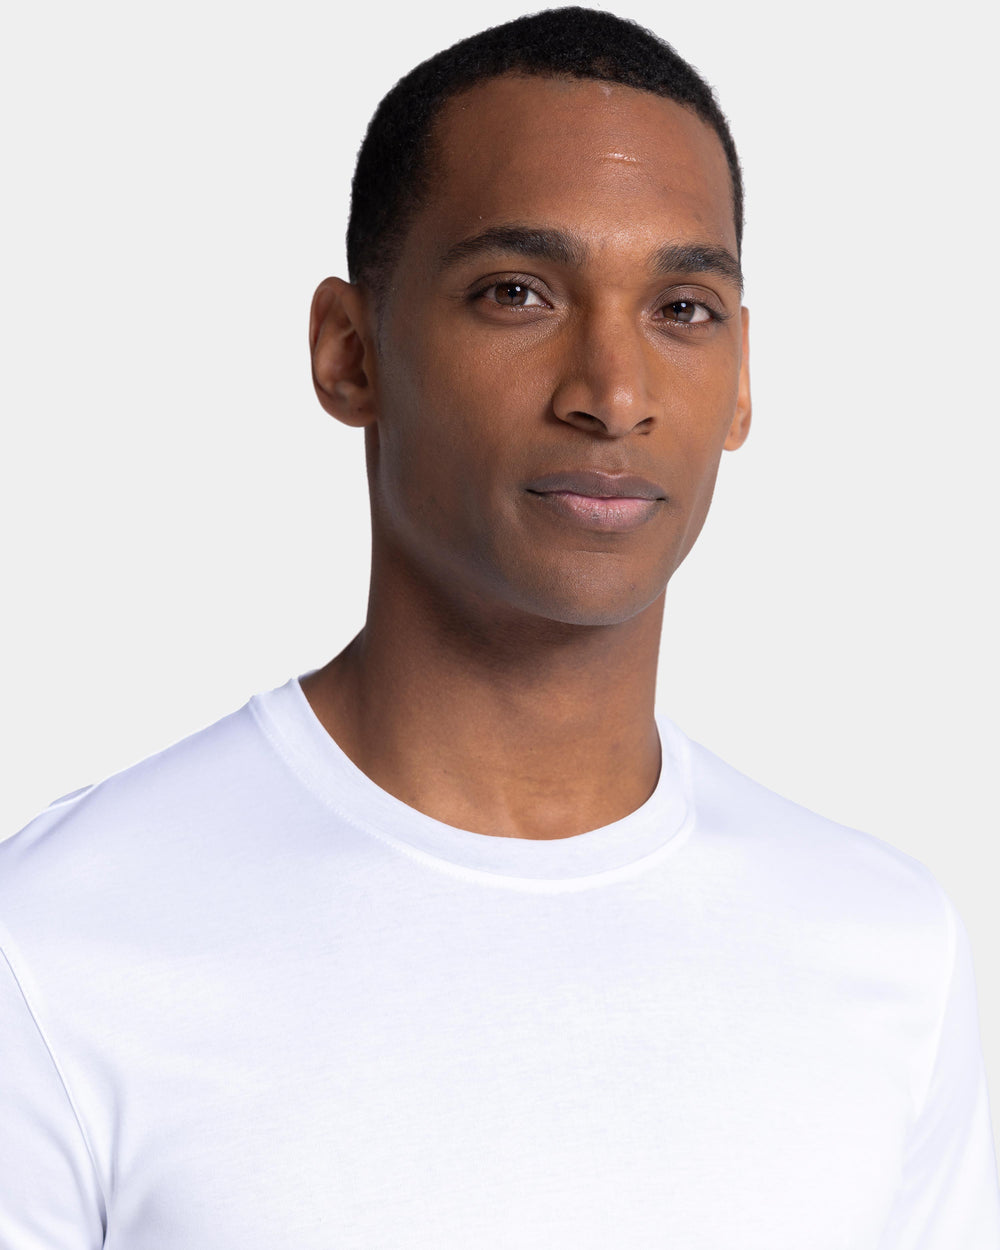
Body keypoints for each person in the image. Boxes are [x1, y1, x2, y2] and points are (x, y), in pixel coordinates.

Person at [1, 6, 997, 1246]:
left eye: (683, 308)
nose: (613, 394)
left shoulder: (887, 950)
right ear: (349, 352)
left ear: (742, 380)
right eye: (516, 293)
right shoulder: (59, 942)